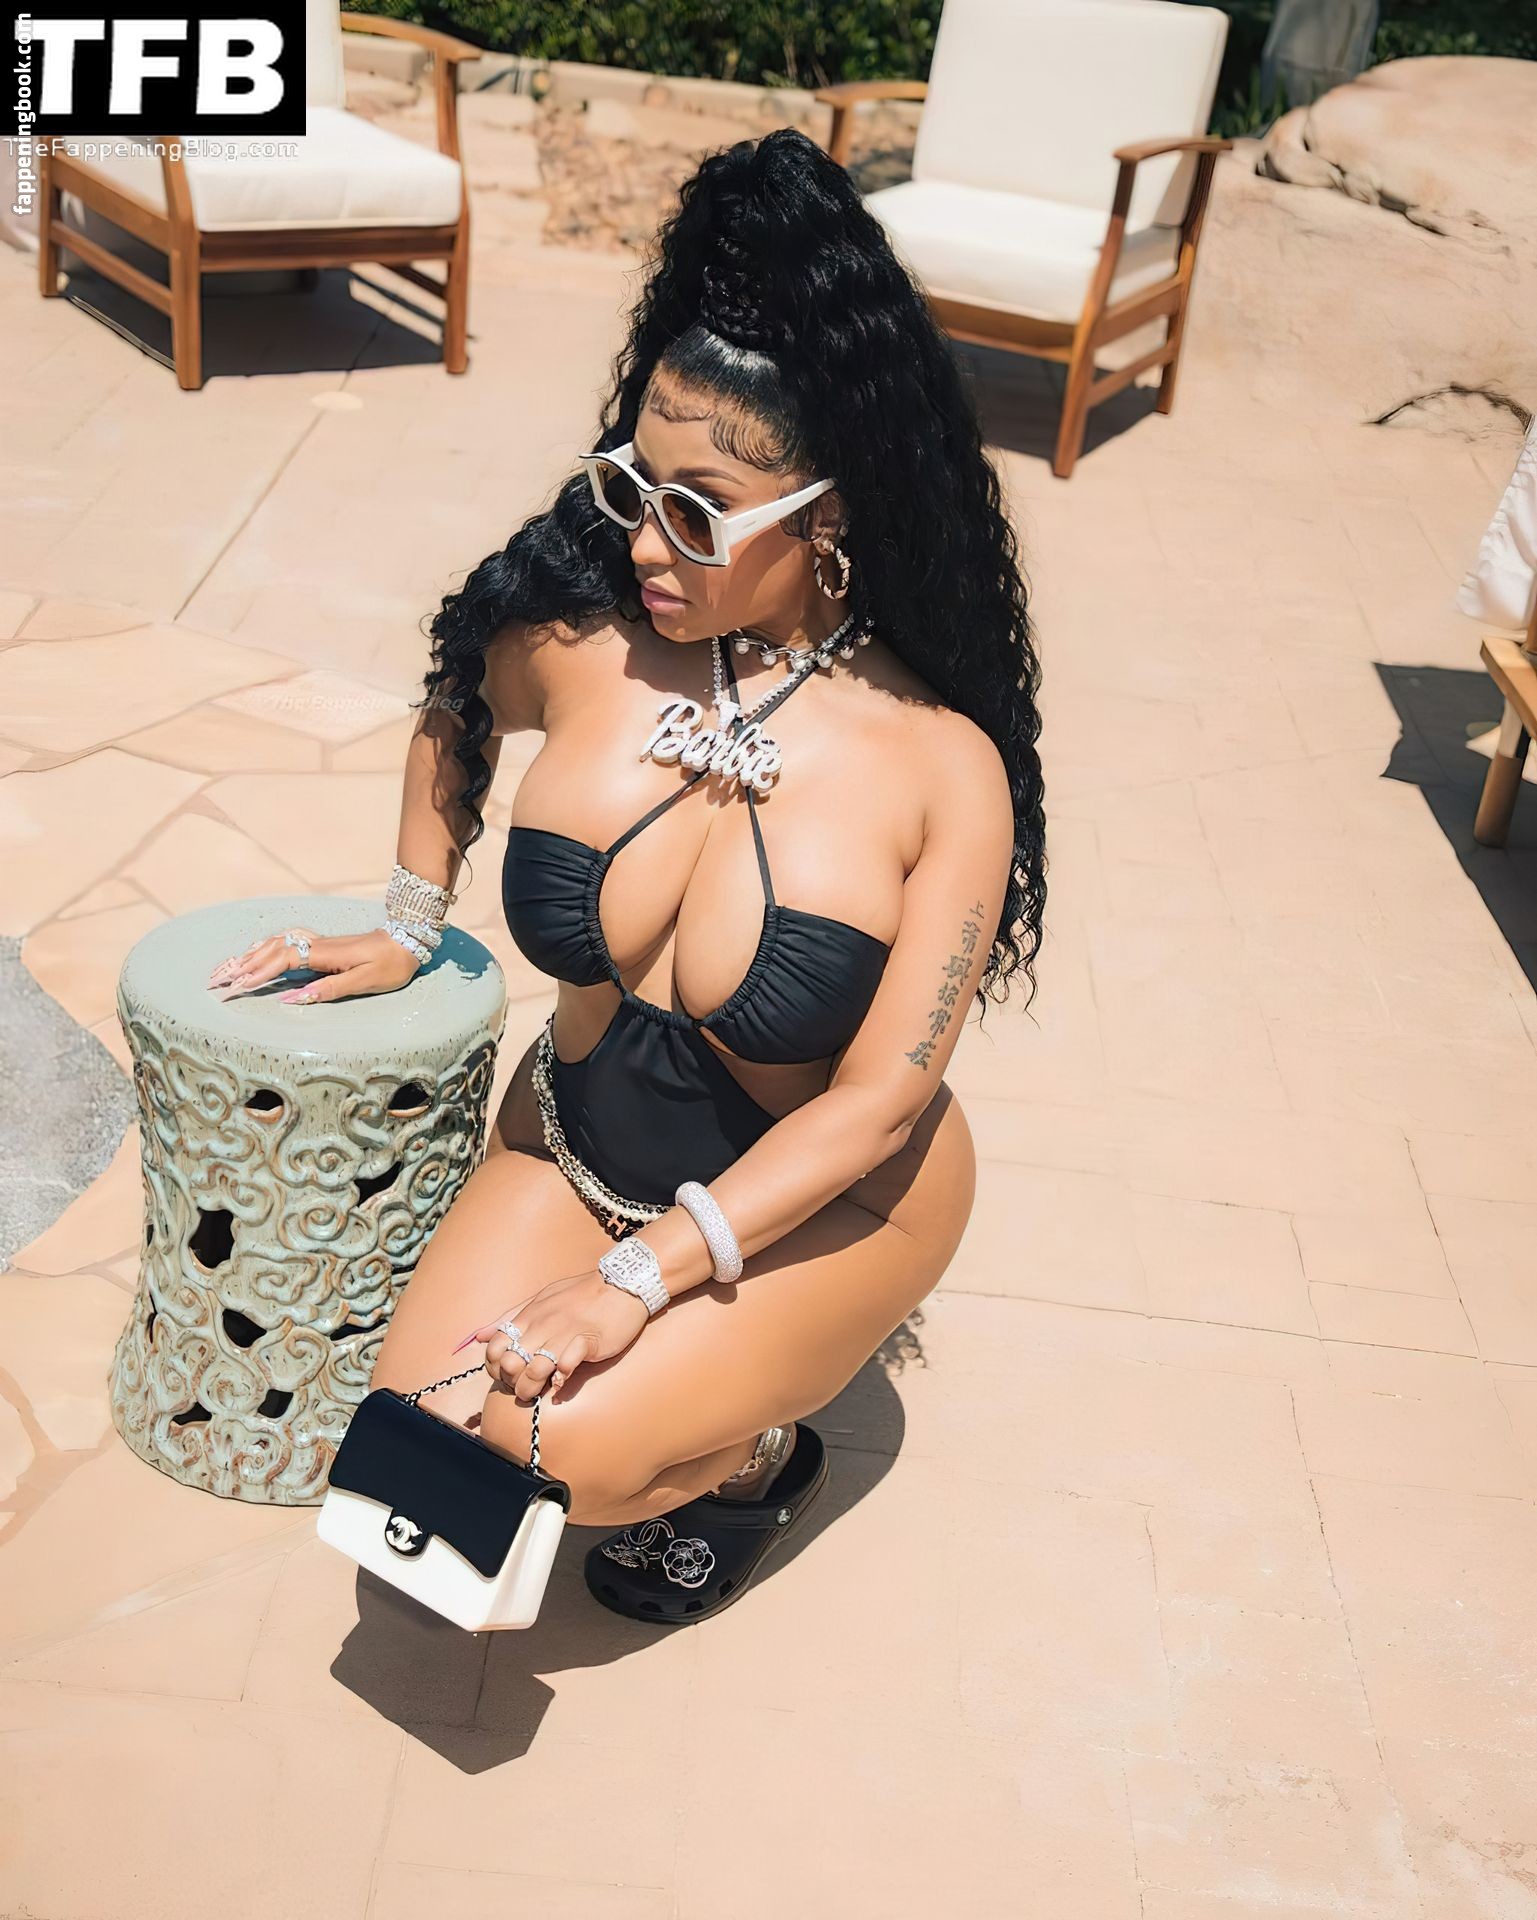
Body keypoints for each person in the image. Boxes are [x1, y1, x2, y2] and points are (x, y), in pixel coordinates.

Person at [206, 125, 1045, 1624]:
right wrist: (411, 919)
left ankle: (756, 1456)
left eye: (699, 509)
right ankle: (667, 1380)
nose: (648, 543)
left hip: (836, 1201)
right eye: (630, 486)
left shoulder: (940, 769)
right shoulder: (589, 649)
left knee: (558, 1452)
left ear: (829, 515)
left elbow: (880, 1101)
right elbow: (455, 693)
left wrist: (634, 1283)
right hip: (579, 1148)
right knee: (417, 1427)